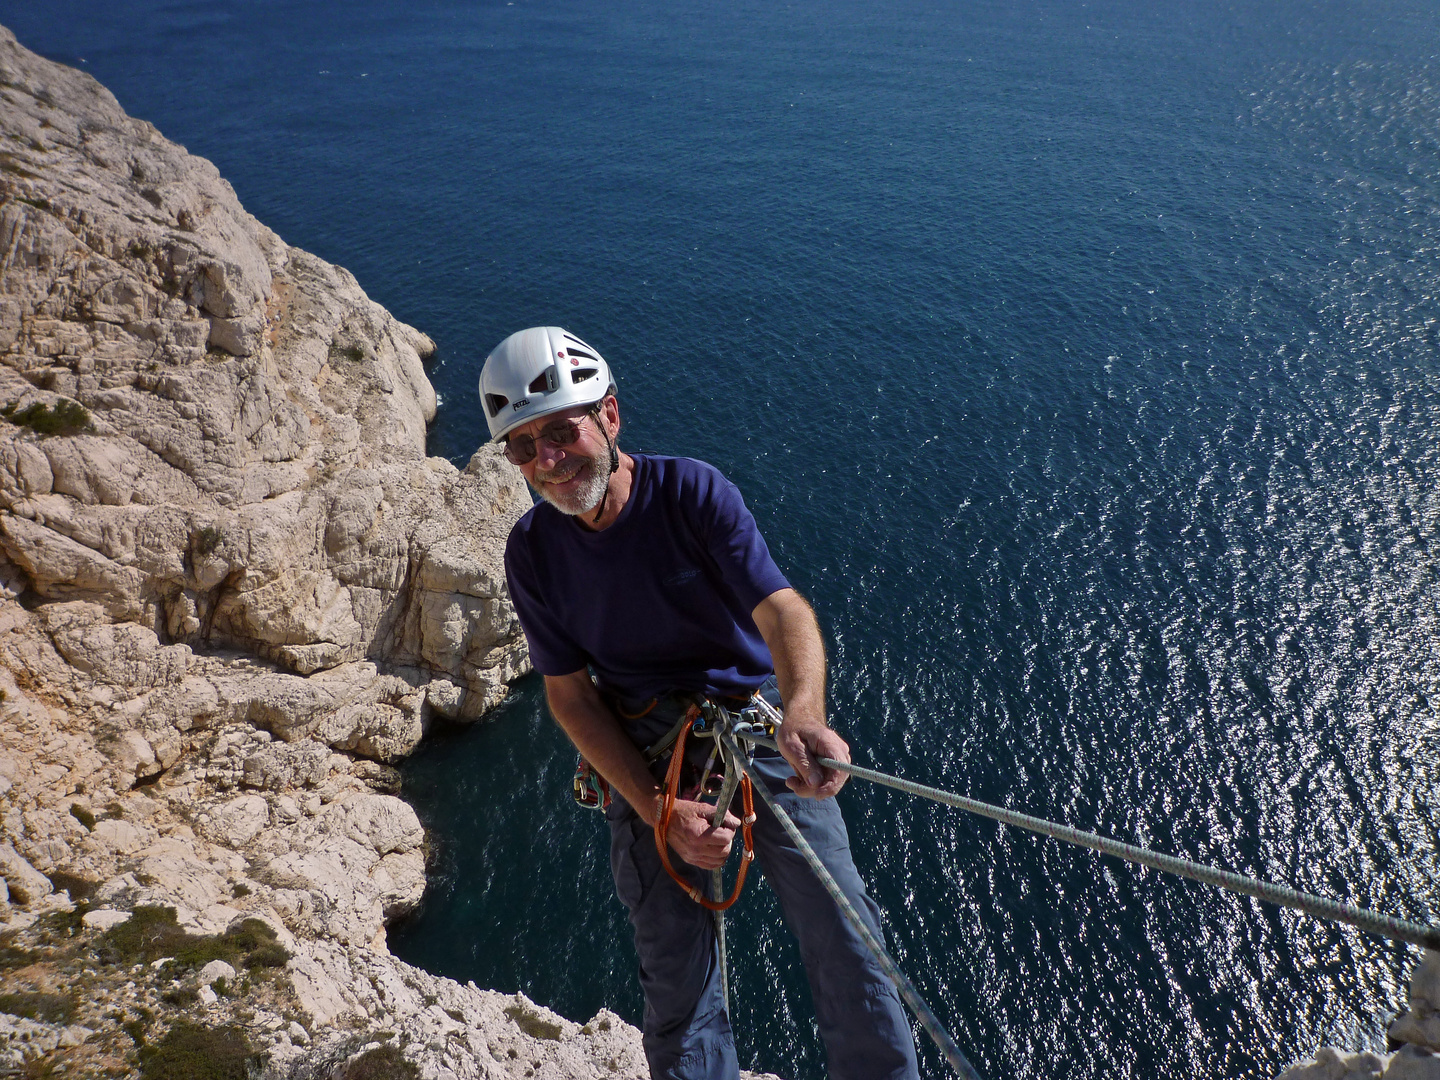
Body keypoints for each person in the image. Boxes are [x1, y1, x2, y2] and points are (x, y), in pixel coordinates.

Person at [483, 326, 919, 1080]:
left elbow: (781, 611)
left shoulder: (690, 494)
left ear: (610, 418)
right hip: (645, 747)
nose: (547, 462)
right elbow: (570, 698)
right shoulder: (533, 552)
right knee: (678, 983)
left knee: (848, 936)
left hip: (751, 720)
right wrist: (658, 811)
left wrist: (806, 715)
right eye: (523, 448)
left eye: (561, 431)